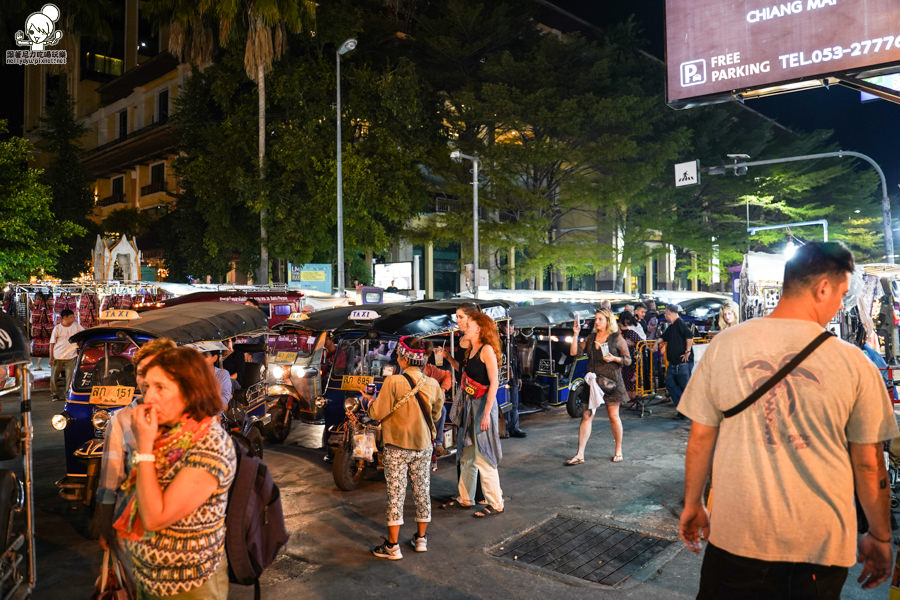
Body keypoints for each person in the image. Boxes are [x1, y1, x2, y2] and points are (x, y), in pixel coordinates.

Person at [678, 241, 898, 597]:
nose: (840, 304)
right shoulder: (855, 364)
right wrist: (880, 535)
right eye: (841, 293)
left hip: (736, 538)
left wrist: (693, 504)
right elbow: (870, 464)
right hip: (818, 547)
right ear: (823, 288)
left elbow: (700, 439)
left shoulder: (725, 345)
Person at [114, 347, 236, 598]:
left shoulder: (210, 443)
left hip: (187, 585)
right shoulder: (168, 433)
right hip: (148, 578)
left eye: (161, 387)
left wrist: (144, 447)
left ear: (189, 389)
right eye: (147, 387)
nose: (148, 398)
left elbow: (155, 518)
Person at [97, 337, 177, 597]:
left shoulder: (193, 423)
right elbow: (109, 483)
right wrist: (105, 527)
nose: (147, 383)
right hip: (133, 533)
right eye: (142, 373)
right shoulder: (123, 420)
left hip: (179, 539)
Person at [363, 337, 444, 559]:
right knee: (422, 491)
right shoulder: (433, 384)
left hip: (397, 447)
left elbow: (377, 413)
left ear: (402, 358)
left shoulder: (392, 382)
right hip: (424, 445)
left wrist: (368, 402)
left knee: (396, 494)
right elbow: (436, 415)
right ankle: (420, 540)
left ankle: (392, 546)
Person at [443, 311, 505, 517]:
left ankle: (496, 503)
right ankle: (466, 498)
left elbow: (494, 383)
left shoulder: (486, 350)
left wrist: (487, 413)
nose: (464, 326)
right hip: (470, 406)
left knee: (484, 455)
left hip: (482, 407)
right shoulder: (471, 348)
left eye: (468, 324)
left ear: (479, 329)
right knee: (467, 455)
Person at [566, 308, 630, 465]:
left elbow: (628, 360)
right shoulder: (591, 338)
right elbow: (574, 353)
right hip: (593, 382)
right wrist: (575, 334)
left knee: (613, 415)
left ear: (608, 321)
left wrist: (614, 358)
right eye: (596, 319)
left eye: (600, 319)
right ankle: (580, 454)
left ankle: (618, 449)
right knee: (586, 416)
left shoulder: (616, 338)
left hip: (611, 382)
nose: (596, 322)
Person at [660, 304, 693, 411]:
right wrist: (656, 343)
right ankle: (683, 408)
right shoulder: (672, 326)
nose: (665, 316)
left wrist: (687, 351)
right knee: (671, 384)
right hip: (674, 363)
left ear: (669, 313)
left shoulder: (680, 323)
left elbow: (689, 336)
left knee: (684, 387)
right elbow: (663, 337)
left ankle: (686, 409)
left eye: (666, 313)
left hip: (681, 363)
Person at [423, 342, 453, 456]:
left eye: (426, 355)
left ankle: (437, 444)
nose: (424, 358)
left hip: (430, 403)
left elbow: (447, 375)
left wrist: (443, 389)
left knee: (442, 410)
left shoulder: (430, 369)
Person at [48, 308, 83, 401]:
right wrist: (51, 357)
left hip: (72, 356)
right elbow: (51, 343)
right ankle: (55, 394)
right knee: (54, 376)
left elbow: (84, 333)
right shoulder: (57, 328)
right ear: (64, 318)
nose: (73, 319)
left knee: (70, 377)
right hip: (57, 356)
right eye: (71, 317)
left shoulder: (76, 326)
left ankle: (68, 393)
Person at [617, 312, 642, 401]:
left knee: (630, 382)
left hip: (632, 362)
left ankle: (633, 399)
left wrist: (633, 345)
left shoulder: (630, 333)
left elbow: (643, 345)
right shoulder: (619, 335)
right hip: (624, 362)